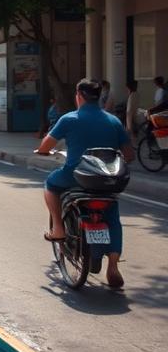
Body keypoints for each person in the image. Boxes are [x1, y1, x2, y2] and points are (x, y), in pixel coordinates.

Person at [37, 78, 134, 289]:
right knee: (112, 214)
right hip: (108, 180)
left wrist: (44, 151)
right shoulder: (113, 121)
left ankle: (59, 229)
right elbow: (129, 154)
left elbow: (45, 146)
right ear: (98, 97)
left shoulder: (70, 119)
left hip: (75, 175)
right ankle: (114, 266)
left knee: (50, 186)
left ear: (79, 96)